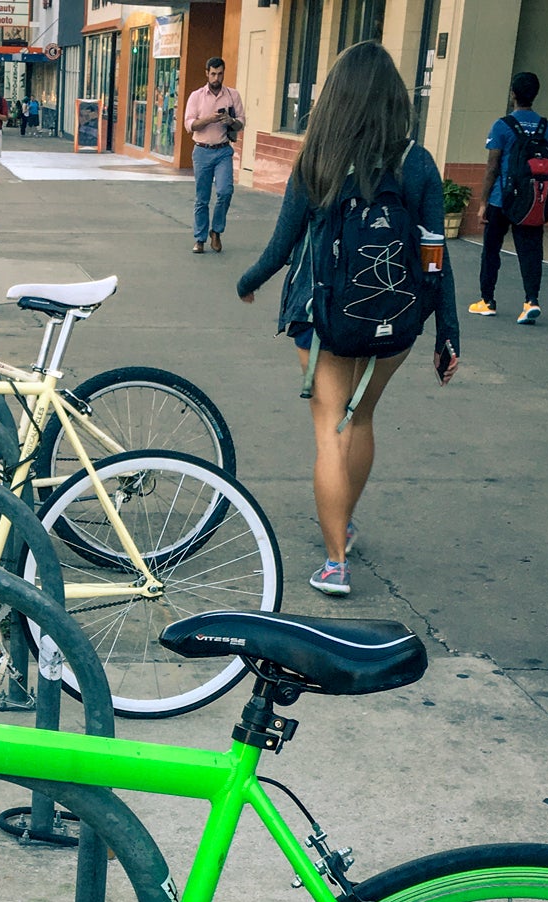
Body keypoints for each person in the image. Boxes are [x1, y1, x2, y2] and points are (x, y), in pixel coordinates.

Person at [235, 41, 459, 598]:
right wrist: (447, 330)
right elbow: (435, 254)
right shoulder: (418, 163)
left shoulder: (319, 159)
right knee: (360, 421)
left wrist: (249, 282)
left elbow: (283, 243)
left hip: (324, 318)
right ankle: (345, 524)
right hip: (396, 319)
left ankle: (336, 561)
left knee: (330, 430)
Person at [470, 71, 548, 324]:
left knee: (491, 250)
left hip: (501, 199)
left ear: (513, 94)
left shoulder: (502, 125)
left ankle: (487, 300)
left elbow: (492, 166)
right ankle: (531, 301)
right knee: (531, 250)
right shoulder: (545, 126)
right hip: (531, 200)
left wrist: (483, 203)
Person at [183, 57, 244, 254]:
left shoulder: (232, 95)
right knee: (202, 198)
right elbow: (189, 125)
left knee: (225, 191)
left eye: (220, 74)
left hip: (223, 150)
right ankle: (199, 238)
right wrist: (208, 119)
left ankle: (216, 231)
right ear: (207, 73)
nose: (216, 78)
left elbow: (241, 123)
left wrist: (230, 120)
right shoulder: (197, 96)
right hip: (202, 150)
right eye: (213, 74)